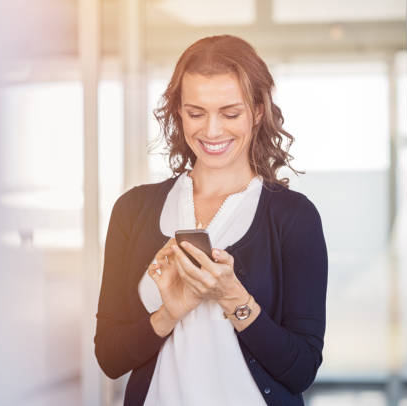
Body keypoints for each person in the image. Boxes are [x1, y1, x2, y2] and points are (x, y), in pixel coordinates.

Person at [94, 34, 328, 406]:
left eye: (230, 113)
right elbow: (109, 357)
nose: (212, 130)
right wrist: (169, 313)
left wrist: (232, 296)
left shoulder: (294, 217)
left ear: (257, 111)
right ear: (178, 112)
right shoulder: (132, 211)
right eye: (196, 112)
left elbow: (301, 369)